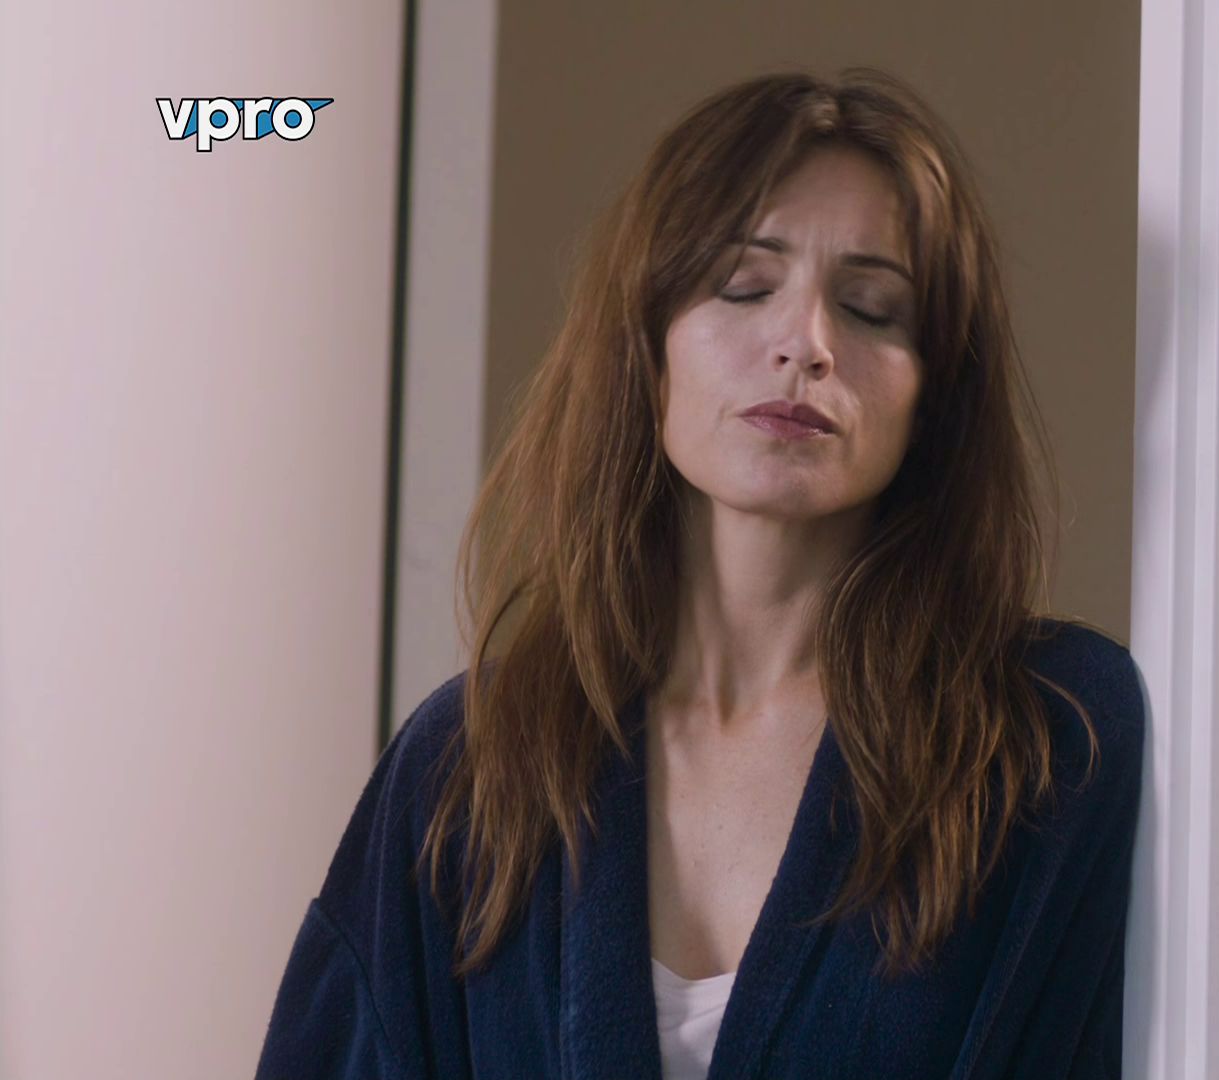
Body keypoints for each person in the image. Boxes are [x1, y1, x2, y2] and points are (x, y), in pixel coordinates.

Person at [254, 68, 1146, 1080]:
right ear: (650, 346)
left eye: (871, 308)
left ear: (933, 394)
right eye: (744, 286)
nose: (806, 344)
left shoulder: (1048, 738)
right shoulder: (471, 763)